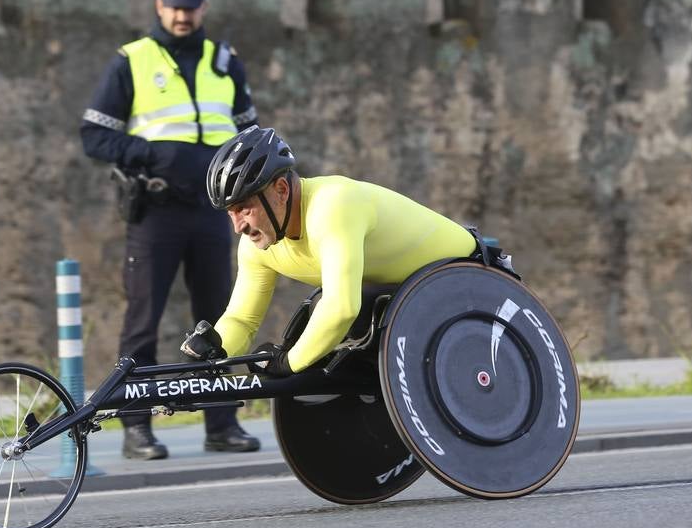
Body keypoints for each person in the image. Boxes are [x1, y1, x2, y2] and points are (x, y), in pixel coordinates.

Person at [79, 0, 262, 459]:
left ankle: (221, 423)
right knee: (143, 322)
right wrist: (153, 155)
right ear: (159, 6)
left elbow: (250, 133)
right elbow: (94, 136)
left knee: (220, 320)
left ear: (203, 7)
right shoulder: (132, 61)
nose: (183, 15)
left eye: (191, 6)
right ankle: (136, 427)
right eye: (174, 6)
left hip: (212, 211)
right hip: (155, 211)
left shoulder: (225, 63)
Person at [179, 127, 479, 375]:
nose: (238, 227)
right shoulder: (257, 243)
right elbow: (243, 320)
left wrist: (288, 363)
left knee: (327, 320)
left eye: (244, 209)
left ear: (281, 190)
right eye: (230, 213)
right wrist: (215, 350)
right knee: (327, 329)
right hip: (403, 296)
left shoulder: (333, 204)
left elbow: (341, 307)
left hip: (469, 280)